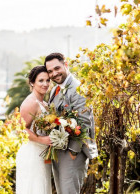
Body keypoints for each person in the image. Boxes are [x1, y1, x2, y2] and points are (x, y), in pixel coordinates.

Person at [44, 52, 98, 194]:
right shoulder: (54, 90)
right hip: (59, 150)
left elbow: (85, 122)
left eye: (57, 68)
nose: (54, 74)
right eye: (50, 71)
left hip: (73, 152)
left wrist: (73, 151)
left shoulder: (77, 88)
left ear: (65, 65)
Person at [16, 65, 52, 194]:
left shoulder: (45, 103)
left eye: (48, 80)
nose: (45, 84)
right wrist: (42, 140)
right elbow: (21, 129)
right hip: (32, 154)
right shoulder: (30, 102)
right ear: (32, 82)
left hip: (43, 155)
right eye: (41, 80)